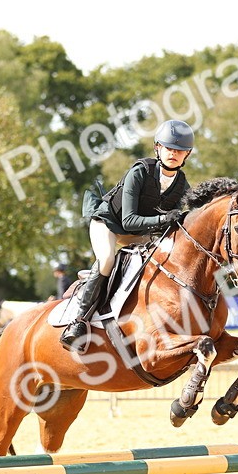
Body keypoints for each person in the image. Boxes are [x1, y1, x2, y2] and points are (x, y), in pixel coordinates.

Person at [59, 119, 195, 349]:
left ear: (187, 154)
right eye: (169, 148)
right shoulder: (140, 172)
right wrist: (164, 219)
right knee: (108, 260)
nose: (173, 153)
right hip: (109, 224)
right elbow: (128, 220)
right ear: (157, 148)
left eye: (179, 150)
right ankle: (78, 321)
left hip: (140, 233)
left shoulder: (182, 185)